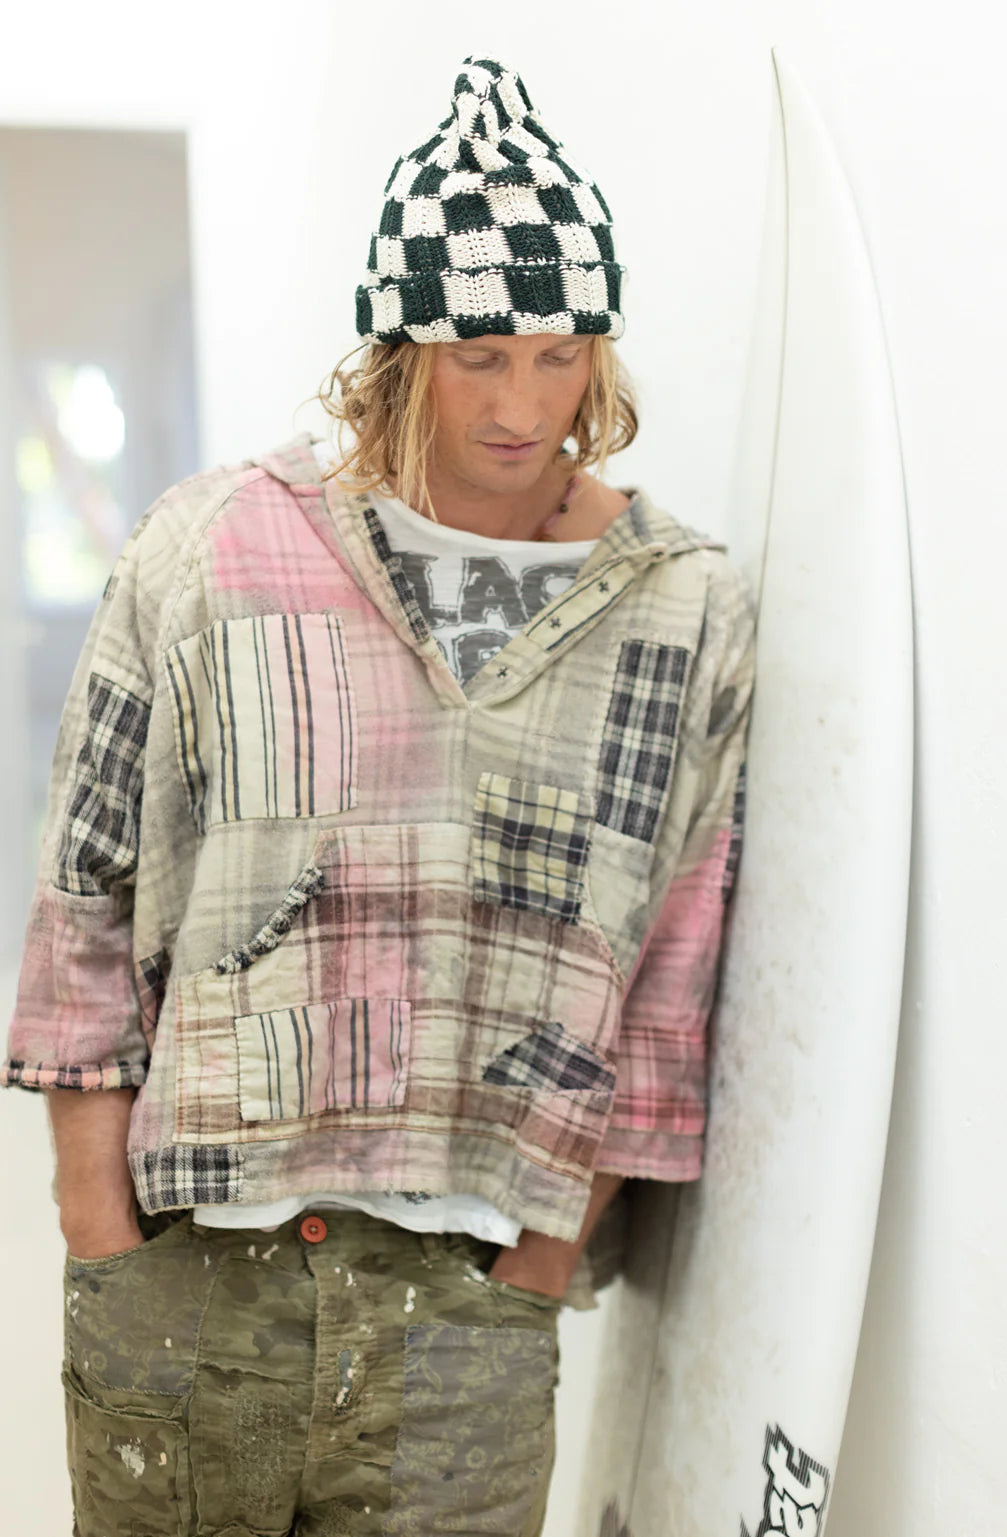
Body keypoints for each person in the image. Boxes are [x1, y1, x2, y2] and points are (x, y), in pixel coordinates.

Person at [1, 54, 756, 1537]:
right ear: (398, 350)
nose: (523, 405)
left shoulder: (678, 610)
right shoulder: (212, 548)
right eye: (480, 357)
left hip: (470, 1297)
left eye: (559, 355)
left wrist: (542, 1261)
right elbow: (82, 898)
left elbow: (672, 971)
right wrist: (100, 1238)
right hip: (194, 1270)